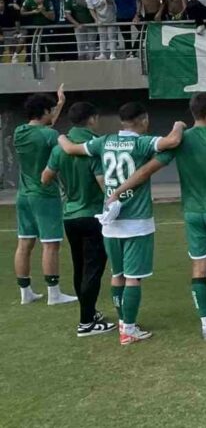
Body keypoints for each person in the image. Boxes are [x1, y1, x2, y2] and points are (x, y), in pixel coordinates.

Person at [107, 93, 206, 339]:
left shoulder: (181, 140)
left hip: (192, 213)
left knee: (199, 267)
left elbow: (147, 170)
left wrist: (118, 191)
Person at [57, 102, 186, 344]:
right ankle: (128, 329)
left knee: (117, 275)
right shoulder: (142, 143)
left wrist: (60, 137)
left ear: (121, 121)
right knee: (133, 278)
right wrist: (179, 125)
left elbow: (71, 148)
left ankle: (123, 322)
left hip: (109, 219)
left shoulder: (104, 141)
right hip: (136, 220)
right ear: (144, 119)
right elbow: (172, 141)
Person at [40, 102, 113, 335]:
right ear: (92, 119)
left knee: (80, 267)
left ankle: (89, 312)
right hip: (92, 215)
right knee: (93, 269)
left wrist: (66, 189)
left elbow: (45, 178)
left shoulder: (60, 148)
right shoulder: (93, 146)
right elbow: (103, 184)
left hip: (70, 216)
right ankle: (86, 322)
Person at [13, 89, 78, 306]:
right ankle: (54, 293)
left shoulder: (19, 132)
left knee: (24, 243)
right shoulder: (50, 136)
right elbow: (59, 143)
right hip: (45, 195)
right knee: (51, 244)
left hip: (23, 196)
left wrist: (59, 103)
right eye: (51, 110)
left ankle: (25, 293)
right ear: (44, 111)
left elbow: (45, 126)